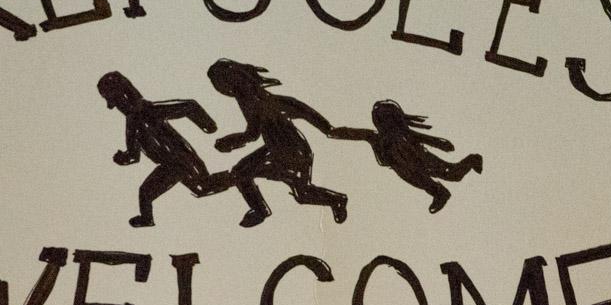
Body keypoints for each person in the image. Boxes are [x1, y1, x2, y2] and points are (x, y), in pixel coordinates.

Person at [206, 58, 347, 227]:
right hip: (273, 149)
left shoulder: (256, 100)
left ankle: (337, 200)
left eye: (223, 83)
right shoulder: (248, 98)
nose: (225, 90)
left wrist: (231, 141)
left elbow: (252, 133)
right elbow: (255, 130)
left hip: (293, 152)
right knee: (241, 172)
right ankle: (260, 210)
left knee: (302, 193)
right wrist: (232, 141)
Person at [97, 71, 229, 227]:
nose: (116, 105)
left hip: (183, 160)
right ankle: (147, 219)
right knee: (146, 193)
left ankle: (239, 175)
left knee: (203, 187)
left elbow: (190, 106)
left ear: (129, 92)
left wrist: (208, 125)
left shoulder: (149, 110)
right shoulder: (132, 122)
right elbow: (134, 156)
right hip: (169, 165)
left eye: (116, 99)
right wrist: (123, 157)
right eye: (113, 101)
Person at [330, 100, 482, 213]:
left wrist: (440, 143)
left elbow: (421, 137)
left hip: (422, 159)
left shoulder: (403, 135)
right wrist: (332, 132)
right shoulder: (375, 138)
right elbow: (352, 133)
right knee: (424, 183)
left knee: (452, 174)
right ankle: (440, 194)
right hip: (405, 170)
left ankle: (472, 159)